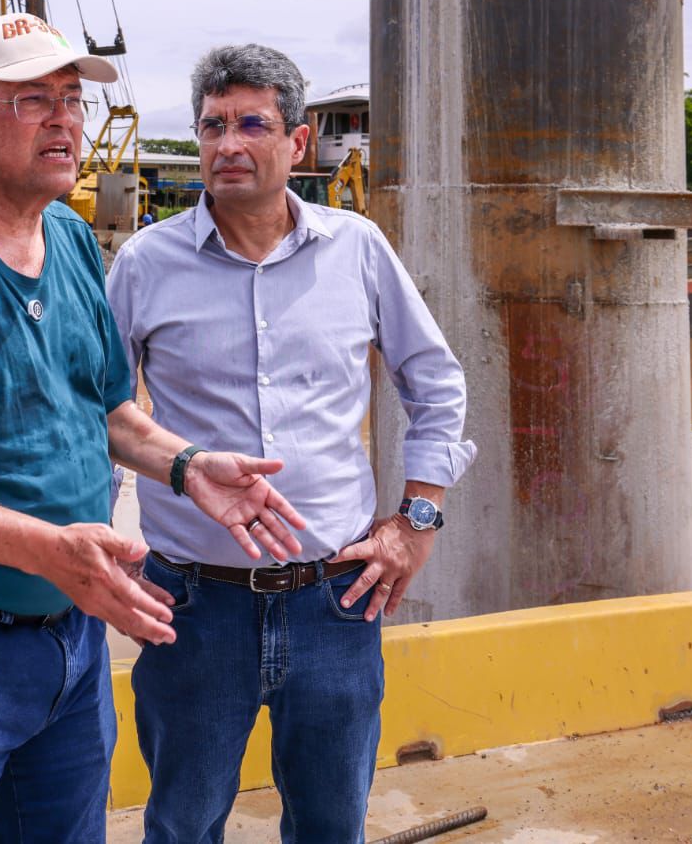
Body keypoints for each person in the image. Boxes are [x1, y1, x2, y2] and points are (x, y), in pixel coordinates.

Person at [0, 13, 308, 844]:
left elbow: (107, 408)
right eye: (32, 100)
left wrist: (187, 465)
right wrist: (47, 551)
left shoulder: (74, 239)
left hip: (72, 648)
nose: (65, 121)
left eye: (73, 100)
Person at [106, 43, 476, 843]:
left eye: (252, 125)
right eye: (213, 126)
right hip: (190, 607)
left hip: (336, 601)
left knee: (331, 824)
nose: (228, 144)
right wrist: (102, 553)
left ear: (298, 143)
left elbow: (436, 383)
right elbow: (98, 414)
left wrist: (416, 521)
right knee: (181, 824)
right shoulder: (144, 264)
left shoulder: (358, 249)